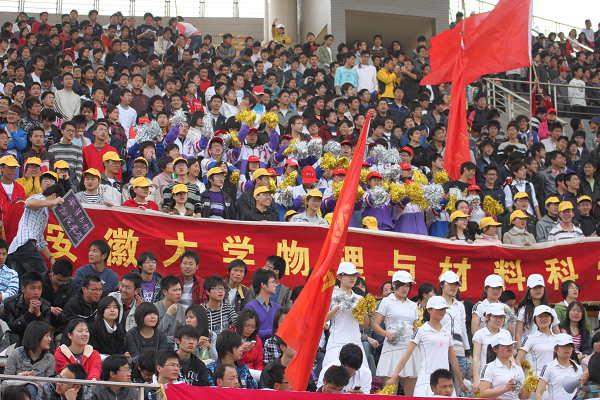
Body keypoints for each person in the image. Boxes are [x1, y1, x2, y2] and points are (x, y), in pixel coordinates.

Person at [387, 295, 467, 396]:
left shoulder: (446, 332)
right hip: (426, 379)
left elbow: (453, 358)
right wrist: (394, 377)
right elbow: (407, 354)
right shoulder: (421, 330)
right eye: (438, 309)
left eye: (444, 309)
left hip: (445, 380)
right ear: (429, 310)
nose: (442, 312)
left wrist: (461, 383)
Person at [372, 270, 420, 396]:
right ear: (393, 284)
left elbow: (415, 327)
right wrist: (387, 334)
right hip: (392, 346)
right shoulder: (386, 302)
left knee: (411, 392)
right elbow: (375, 324)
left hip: (410, 347)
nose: (405, 289)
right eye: (402, 285)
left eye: (408, 286)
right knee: (391, 391)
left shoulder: (412, 305)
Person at [7, 184, 64, 276]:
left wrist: (51, 258)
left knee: (22, 282)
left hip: (16, 249)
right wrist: (53, 202)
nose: (56, 207)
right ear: (54, 196)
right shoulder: (40, 197)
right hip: (26, 245)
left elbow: (40, 241)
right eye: (58, 204)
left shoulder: (44, 211)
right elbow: (28, 203)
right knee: (43, 278)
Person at [322, 262, 369, 371]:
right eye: (348, 275)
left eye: (355, 275)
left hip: (355, 342)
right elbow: (323, 319)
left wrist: (363, 311)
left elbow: (365, 325)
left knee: (359, 375)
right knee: (334, 374)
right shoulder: (331, 296)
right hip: (337, 341)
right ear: (339, 277)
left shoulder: (359, 298)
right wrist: (339, 306)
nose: (352, 278)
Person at [3, 321, 54, 398]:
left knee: (31, 388)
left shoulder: (50, 358)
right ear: (36, 336)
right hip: (16, 394)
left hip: (38, 395)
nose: (50, 339)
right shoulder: (16, 353)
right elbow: (6, 381)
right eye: (46, 336)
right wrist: (19, 377)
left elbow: (49, 387)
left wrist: (35, 381)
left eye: (50, 336)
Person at [472, 303, 512, 394]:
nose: (499, 320)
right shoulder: (480, 334)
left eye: (501, 317)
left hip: (504, 377)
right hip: (486, 378)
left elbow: (510, 357)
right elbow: (476, 358)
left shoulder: (506, 333)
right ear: (487, 317)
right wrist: (476, 380)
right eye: (495, 317)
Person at [3, 272, 51, 343]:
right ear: (23, 289)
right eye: (32, 288)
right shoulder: (10, 303)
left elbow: (46, 331)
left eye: (39, 288)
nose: (36, 292)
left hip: (35, 338)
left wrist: (38, 314)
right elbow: (11, 328)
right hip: (18, 336)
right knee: (13, 337)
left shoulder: (45, 305)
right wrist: (29, 313)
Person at [479, 332, 529, 400]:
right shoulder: (489, 367)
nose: (509, 347)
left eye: (511, 344)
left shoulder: (518, 369)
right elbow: (483, 393)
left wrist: (529, 387)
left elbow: (523, 396)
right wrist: (505, 389)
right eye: (505, 345)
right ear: (495, 349)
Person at [516, 305, 558, 380]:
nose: (543, 319)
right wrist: (522, 377)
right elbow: (518, 359)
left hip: (555, 379)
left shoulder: (557, 338)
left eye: (546, 316)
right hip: (538, 379)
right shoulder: (531, 338)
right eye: (540, 316)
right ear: (535, 319)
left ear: (551, 318)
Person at [244, 269, 281, 342]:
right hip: (256, 346)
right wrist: (274, 332)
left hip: (275, 347)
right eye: (273, 282)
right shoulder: (251, 307)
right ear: (263, 285)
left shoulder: (277, 308)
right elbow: (249, 331)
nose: (276, 285)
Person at [41, 258, 77, 330]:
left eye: (64, 281)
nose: (60, 283)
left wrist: (63, 312)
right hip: (41, 319)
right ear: (51, 272)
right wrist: (49, 308)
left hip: (61, 321)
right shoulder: (39, 281)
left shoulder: (71, 284)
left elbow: (72, 304)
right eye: (58, 280)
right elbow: (31, 300)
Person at [154, 275, 187, 346]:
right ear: (164, 292)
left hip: (176, 346)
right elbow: (154, 333)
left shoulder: (183, 310)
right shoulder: (154, 308)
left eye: (180, 289)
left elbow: (182, 335)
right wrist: (168, 314)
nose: (179, 293)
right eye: (175, 290)